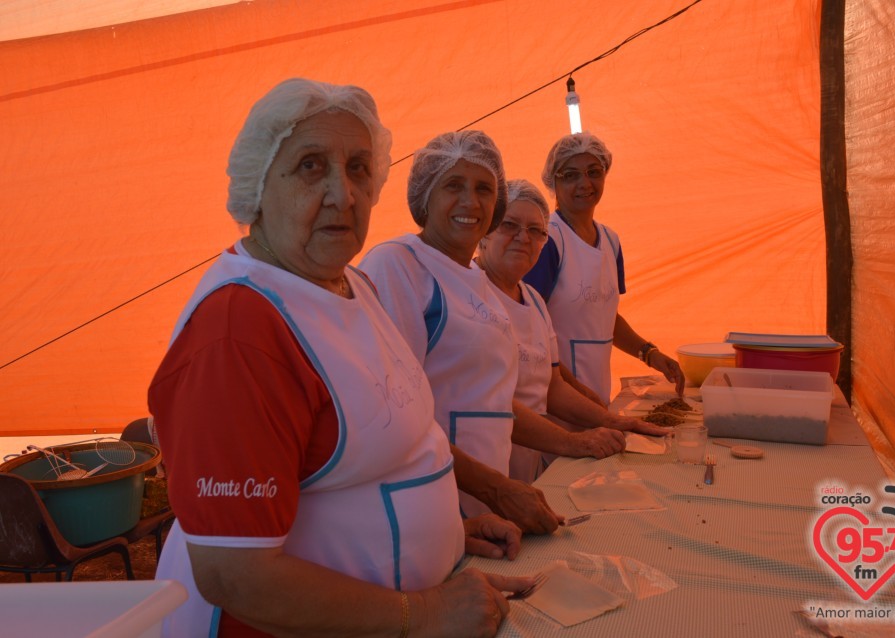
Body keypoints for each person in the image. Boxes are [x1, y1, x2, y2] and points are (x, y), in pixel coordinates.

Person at [148, 79, 532, 638]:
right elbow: (236, 578)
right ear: (258, 188)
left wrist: (448, 533)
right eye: (310, 166)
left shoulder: (350, 284)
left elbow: (391, 438)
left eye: (357, 168)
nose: (343, 194)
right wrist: (423, 613)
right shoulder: (238, 334)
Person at [359, 131, 562, 531]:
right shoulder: (398, 265)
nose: (471, 202)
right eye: (454, 185)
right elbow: (396, 416)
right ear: (425, 196)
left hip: (481, 506)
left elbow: (492, 402)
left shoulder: (475, 281)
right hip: (428, 507)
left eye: (484, 189)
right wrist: (496, 490)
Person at [477, 179, 670, 482]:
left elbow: (552, 387)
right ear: (484, 232)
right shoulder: (468, 295)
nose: (523, 238)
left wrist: (614, 421)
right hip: (480, 475)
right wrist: (573, 442)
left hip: (525, 466)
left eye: (536, 231)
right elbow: (486, 402)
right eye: (509, 225)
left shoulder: (534, 302)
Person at [523, 132, 685, 404]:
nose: (584, 183)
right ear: (553, 182)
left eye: (593, 172)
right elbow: (527, 329)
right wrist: (574, 391)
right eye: (571, 175)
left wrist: (649, 353)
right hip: (556, 400)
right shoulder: (548, 239)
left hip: (596, 394)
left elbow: (604, 316)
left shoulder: (610, 240)